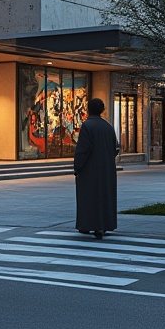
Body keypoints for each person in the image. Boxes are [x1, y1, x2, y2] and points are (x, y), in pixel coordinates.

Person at [73, 96, 118, 239]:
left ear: (88, 109)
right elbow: (115, 148)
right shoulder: (107, 126)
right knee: (104, 197)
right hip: (107, 169)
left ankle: (87, 224)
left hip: (90, 169)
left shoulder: (87, 126)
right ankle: (102, 225)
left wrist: (77, 167)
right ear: (102, 110)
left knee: (88, 197)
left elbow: (83, 150)